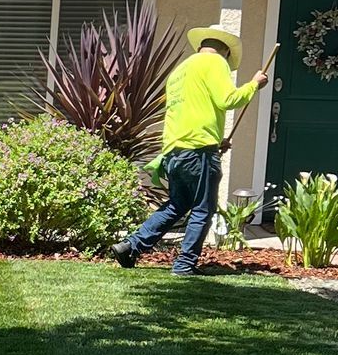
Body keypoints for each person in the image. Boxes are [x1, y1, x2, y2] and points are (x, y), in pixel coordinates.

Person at [114, 26, 274, 275]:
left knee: (177, 204)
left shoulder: (180, 71)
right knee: (202, 208)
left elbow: (192, 111)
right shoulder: (215, 62)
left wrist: (216, 140)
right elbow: (228, 100)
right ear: (225, 51)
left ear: (201, 45)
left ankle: (131, 246)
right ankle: (184, 265)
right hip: (199, 151)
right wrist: (254, 85)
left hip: (174, 151)